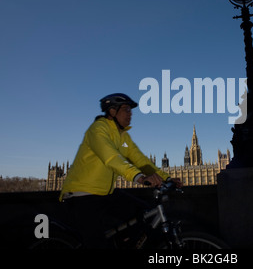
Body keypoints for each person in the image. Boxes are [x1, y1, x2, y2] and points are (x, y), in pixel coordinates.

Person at [60, 93, 182, 248]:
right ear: (112, 111)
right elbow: (111, 158)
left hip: (105, 193)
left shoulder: (123, 137)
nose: (130, 114)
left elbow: (141, 161)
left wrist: (167, 178)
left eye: (131, 110)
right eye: (126, 109)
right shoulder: (98, 129)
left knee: (144, 214)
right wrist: (138, 177)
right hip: (82, 196)